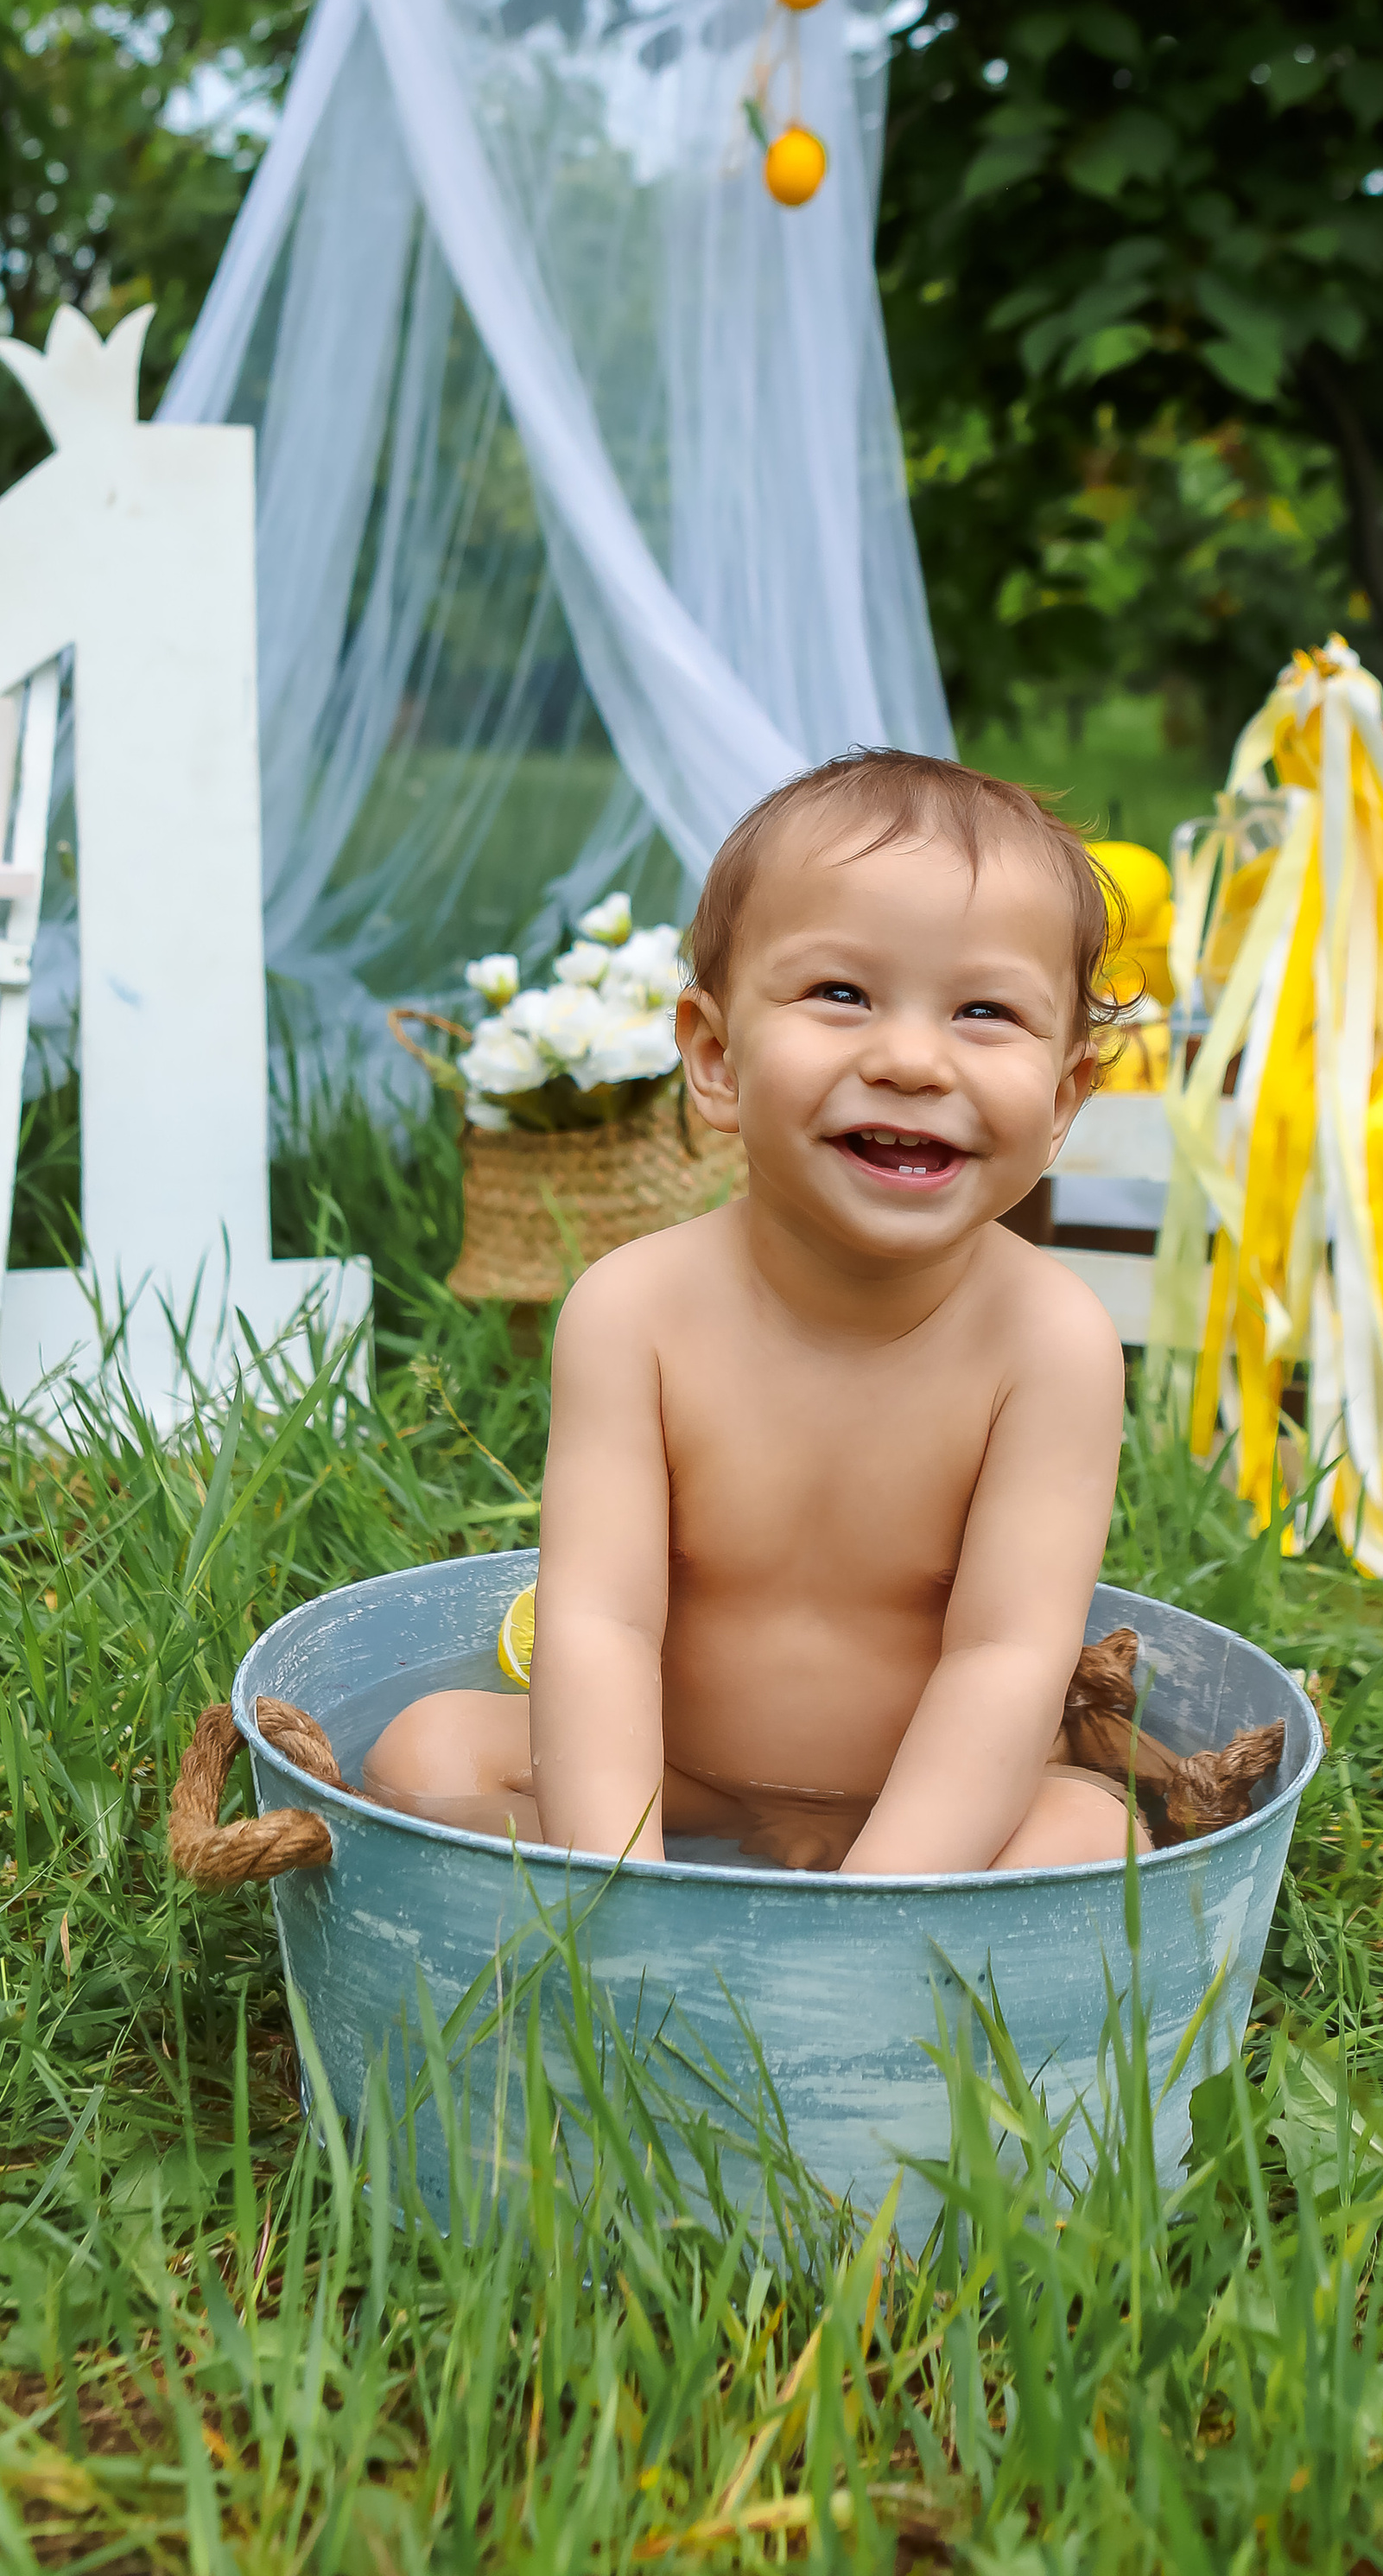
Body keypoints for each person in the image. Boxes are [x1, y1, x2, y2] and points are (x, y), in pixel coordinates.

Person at [365, 750, 1141, 1873]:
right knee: (430, 1747)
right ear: (716, 1059)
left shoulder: (1049, 1343)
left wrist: (877, 1900)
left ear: (1063, 1101)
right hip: (686, 1781)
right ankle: (612, 1942)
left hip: (934, 1799)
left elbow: (1006, 1658)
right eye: (843, 994)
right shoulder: (635, 1313)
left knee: (1091, 1834)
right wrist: (621, 1876)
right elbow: (601, 1625)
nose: (913, 1060)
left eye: (984, 1011)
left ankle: (884, 1971)